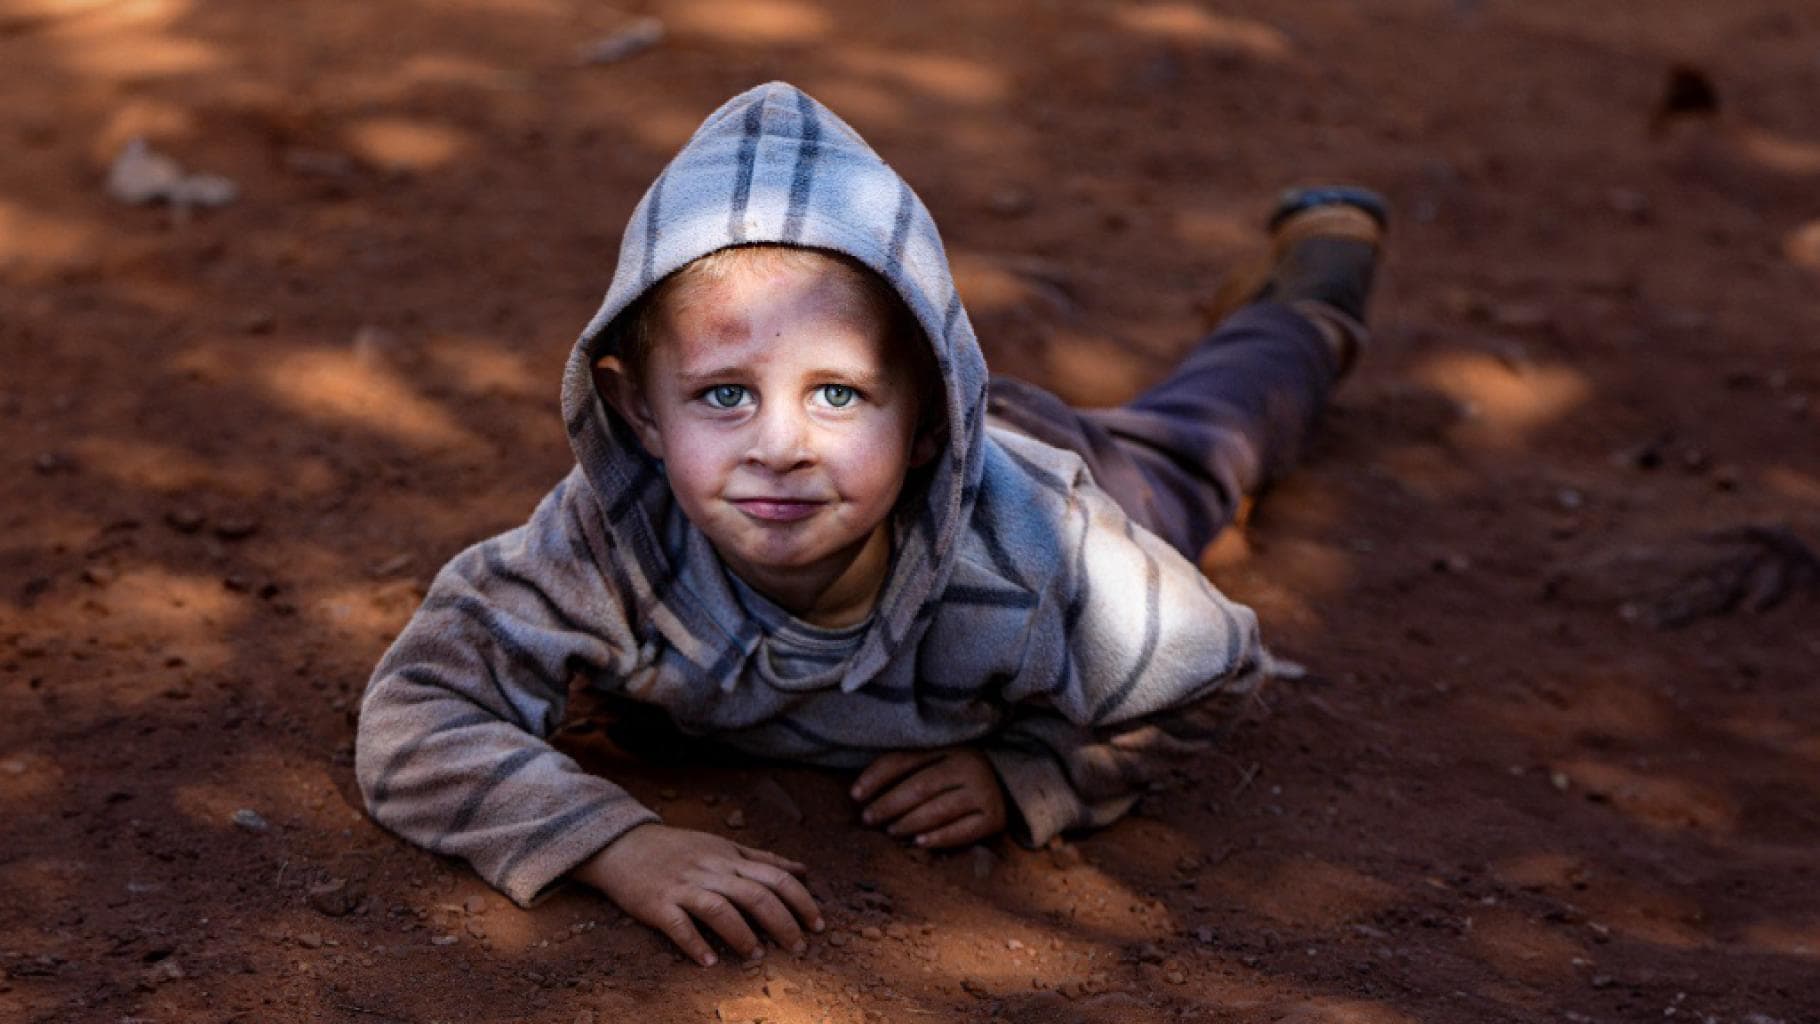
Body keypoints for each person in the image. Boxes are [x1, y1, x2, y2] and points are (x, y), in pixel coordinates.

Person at [354, 82, 1385, 968]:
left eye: (834, 393)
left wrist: (1032, 771)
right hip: (915, 458)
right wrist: (614, 845)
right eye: (722, 395)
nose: (779, 446)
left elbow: (1219, 667)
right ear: (638, 414)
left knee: (1210, 436)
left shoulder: (1051, 556)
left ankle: (1312, 301)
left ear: (933, 412)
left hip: (1046, 471)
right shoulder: (601, 542)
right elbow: (416, 715)